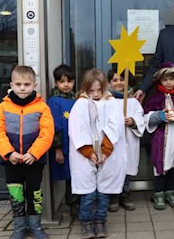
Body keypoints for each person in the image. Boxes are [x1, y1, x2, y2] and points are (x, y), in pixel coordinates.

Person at [0, 65, 54, 239]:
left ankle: (36, 226)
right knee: (16, 195)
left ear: (34, 85)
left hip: (33, 162)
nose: (22, 88)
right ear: (12, 84)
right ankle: (19, 227)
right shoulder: (3, 107)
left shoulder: (42, 107)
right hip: (11, 162)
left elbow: (47, 133)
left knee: (34, 194)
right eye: (18, 84)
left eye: (27, 84)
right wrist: (8, 153)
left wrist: (34, 153)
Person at [68, 69, 127, 239]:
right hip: (85, 155)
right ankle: (86, 221)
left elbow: (115, 127)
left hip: (107, 154)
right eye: (91, 90)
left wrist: (106, 151)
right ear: (85, 89)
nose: (95, 94)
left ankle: (101, 220)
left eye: (98, 90)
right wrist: (89, 152)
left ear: (104, 88)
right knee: (87, 193)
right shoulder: (80, 104)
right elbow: (77, 129)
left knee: (104, 191)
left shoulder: (111, 103)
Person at [143, 62, 174, 210]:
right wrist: (160, 116)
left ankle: (171, 192)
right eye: (165, 79)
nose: (168, 82)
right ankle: (159, 193)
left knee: (173, 165)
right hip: (160, 138)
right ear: (160, 81)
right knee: (160, 165)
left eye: (171, 79)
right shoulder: (155, 98)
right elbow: (145, 115)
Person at [106, 69, 145, 212]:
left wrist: (132, 121)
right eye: (114, 80)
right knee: (114, 168)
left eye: (122, 79)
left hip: (129, 140)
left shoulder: (133, 101)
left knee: (127, 169)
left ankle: (125, 195)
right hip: (114, 141)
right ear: (109, 83)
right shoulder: (107, 100)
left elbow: (140, 117)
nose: (118, 83)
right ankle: (114, 197)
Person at [47, 64, 78, 217]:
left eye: (69, 81)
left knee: (76, 175)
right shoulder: (54, 101)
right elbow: (55, 126)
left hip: (77, 145)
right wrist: (57, 149)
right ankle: (72, 205)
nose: (66, 85)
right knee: (68, 176)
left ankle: (78, 203)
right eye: (62, 81)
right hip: (64, 146)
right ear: (56, 83)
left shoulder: (77, 99)